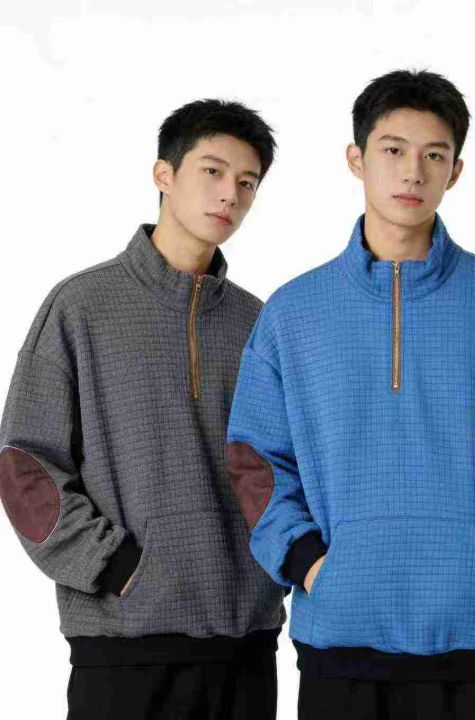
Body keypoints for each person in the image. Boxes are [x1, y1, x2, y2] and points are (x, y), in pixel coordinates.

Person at [225, 69, 475, 719]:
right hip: (340, 647)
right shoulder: (293, 313)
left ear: (455, 172)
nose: (413, 172)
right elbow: (254, 458)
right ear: (356, 159)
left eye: (434, 155)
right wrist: (309, 564)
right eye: (393, 150)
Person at [0, 98, 286, 719]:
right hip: (123, 646)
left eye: (247, 182)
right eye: (212, 171)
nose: (230, 195)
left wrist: (273, 571)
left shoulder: (257, 322)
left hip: (246, 641)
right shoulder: (81, 305)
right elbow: (25, 468)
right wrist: (115, 567)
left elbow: (282, 467)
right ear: (164, 174)